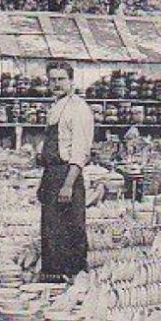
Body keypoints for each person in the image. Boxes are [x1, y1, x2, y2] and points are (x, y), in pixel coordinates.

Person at [37, 60, 94, 283]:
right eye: (52, 80)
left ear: (71, 81)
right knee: (51, 230)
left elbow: (80, 151)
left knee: (70, 231)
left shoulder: (78, 109)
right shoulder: (56, 106)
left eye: (61, 79)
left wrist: (68, 185)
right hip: (52, 174)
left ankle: (73, 282)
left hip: (67, 175)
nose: (57, 83)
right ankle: (53, 283)